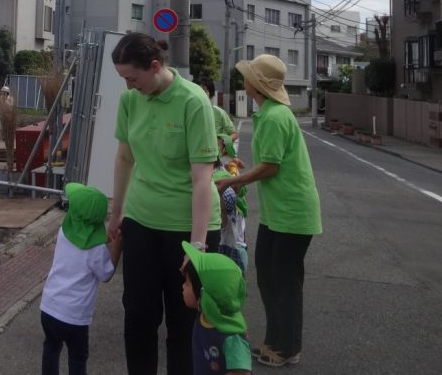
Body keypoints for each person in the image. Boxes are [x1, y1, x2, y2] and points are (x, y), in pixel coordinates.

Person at [108, 32, 222, 375]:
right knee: (138, 316)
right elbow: (125, 158)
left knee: (184, 321)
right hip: (141, 221)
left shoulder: (193, 101)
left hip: (190, 227)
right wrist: (117, 217)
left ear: (155, 66)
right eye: (123, 79)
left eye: (133, 78)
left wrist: (198, 244)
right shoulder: (130, 101)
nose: (128, 86)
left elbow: (202, 178)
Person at [216, 54, 322, 368]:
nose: (244, 79)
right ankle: (275, 340)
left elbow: (271, 167)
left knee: (284, 281)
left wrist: (234, 180)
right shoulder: (268, 113)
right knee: (267, 275)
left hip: (293, 212)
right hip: (280, 213)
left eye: (248, 75)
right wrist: (242, 173)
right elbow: (267, 165)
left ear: (257, 84)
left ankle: (287, 347)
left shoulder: (275, 116)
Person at [40, 182, 121, 375]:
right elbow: (106, 274)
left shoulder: (64, 232)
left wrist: (106, 240)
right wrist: (117, 246)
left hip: (49, 307)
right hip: (74, 317)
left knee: (51, 348)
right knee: (77, 358)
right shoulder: (96, 249)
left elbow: (84, 236)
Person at [180, 242, 252, 375]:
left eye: (187, 283)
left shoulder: (231, 335)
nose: (183, 286)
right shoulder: (206, 315)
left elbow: (242, 372)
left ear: (205, 295)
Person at [216, 135, 248, 275]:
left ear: (225, 147)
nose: (217, 146)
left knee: (237, 239)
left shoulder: (230, 163)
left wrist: (234, 180)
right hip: (230, 208)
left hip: (235, 209)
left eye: (219, 144)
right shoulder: (223, 163)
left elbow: (239, 188)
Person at [198, 79, 238, 145]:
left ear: (210, 93)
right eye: (199, 89)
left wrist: (223, 142)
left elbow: (234, 134)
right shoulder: (188, 112)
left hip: (214, 153)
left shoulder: (219, 112)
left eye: (204, 90)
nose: (201, 92)